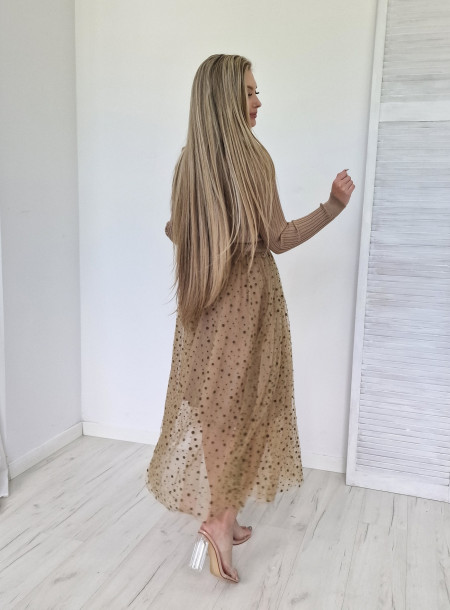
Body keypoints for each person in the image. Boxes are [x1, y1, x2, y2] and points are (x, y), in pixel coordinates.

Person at [147, 54, 355, 583]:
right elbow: (279, 239)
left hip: (205, 306)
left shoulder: (189, 162)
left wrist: (212, 240)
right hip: (247, 303)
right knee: (247, 410)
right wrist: (332, 206)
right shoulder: (255, 159)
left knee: (216, 411)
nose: (258, 101)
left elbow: (175, 230)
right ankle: (219, 524)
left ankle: (226, 515)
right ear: (225, 99)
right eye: (249, 92)